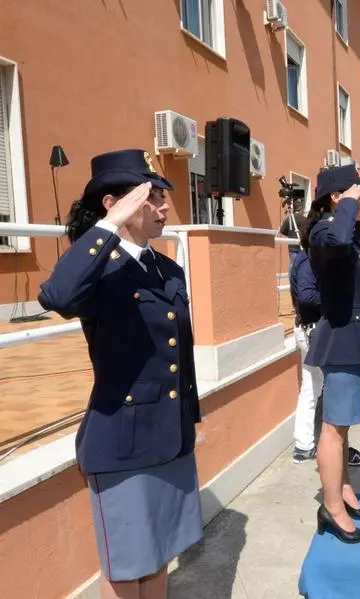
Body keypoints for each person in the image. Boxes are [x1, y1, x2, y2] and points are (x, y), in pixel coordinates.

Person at [37, 150, 202, 598]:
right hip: (123, 444)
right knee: (128, 567)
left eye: (163, 198)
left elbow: (178, 354)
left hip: (170, 436)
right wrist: (106, 228)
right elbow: (56, 295)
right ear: (115, 204)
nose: (164, 208)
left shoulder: (167, 270)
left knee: (160, 553)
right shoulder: (99, 269)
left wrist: (190, 420)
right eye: (151, 199)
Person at [303, 165, 360, 543]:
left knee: (344, 424)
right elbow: (335, 239)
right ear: (337, 197)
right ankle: (331, 507)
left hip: (353, 338)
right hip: (340, 339)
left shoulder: (346, 234)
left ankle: (344, 491)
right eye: (359, 195)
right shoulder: (326, 231)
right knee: (333, 429)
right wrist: (348, 204)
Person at [288, 229, 360, 467]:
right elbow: (306, 295)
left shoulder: (310, 258)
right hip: (313, 329)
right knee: (325, 389)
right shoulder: (307, 261)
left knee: (316, 387)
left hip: (313, 328)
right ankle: (321, 447)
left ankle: (313, 445)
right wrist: (336, 302)